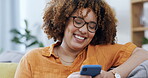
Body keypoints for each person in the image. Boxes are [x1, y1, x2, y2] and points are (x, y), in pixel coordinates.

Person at [14, 0, 148, 78]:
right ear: (63, 20)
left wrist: (111, 75)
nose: (84, 30)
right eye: (78, 21)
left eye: (92, 25)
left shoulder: (101, 52)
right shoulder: (32, 59)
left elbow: (143, 54)